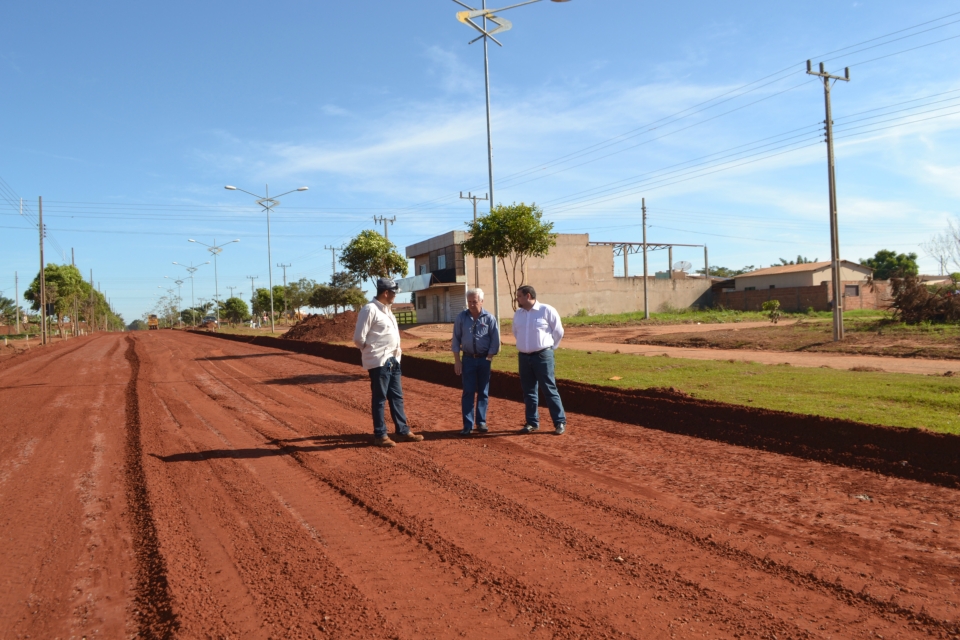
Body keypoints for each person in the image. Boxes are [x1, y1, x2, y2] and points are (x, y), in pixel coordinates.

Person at [353, 277, 425, 448]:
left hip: (394, 359)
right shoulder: (369, 310)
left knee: (397, 397)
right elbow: (358, 338)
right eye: (394, 293)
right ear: (386, 293)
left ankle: (402, 431)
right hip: (379, 361)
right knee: (380, 399)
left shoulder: (387, 310)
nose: (395, 296)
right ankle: (380, 435)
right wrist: (372, 352)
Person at [512, 285, 566, 435]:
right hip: (524, 357)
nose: (517, 299)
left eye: (519, 296)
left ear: (528, 296)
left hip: (543, 356)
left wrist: (550, 348)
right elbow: (516, 332)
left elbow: (558, 331)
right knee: (529, 391)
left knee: (549, 389)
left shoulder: (547, 310)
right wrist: (526, 346)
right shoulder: (518, 314)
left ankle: (559, 422)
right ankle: (531, 422)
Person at [452, 288, 500, 436]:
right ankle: (468, 425)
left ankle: (481, 422)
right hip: (467, 360)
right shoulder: (461, 317)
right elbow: (456, 340)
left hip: (484, 359)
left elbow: (495, 340)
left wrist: (489, 357)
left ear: (482, 301)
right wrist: (457, 361)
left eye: (475, 301)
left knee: (483, 392)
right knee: (468, 391)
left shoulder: (489, 318)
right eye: (469, 301)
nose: (472, 304)